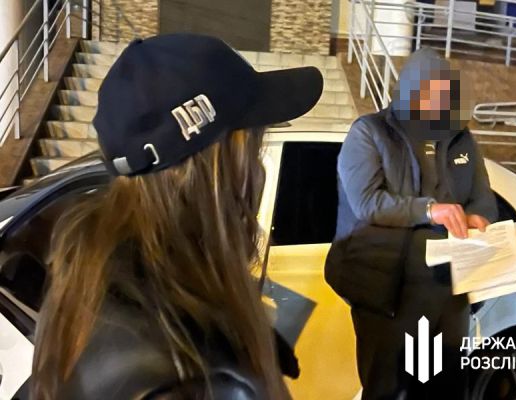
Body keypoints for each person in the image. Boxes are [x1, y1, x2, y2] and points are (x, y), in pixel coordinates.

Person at [31, 34, 323, 399]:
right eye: (253, 150)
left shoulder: (86, 287)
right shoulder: (196, 379)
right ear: (218, 167)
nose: (259, 173)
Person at [325, 48, 498, 399]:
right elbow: (367, 203)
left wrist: (479, 218)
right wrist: (430, 211)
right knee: (390, 390)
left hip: (448, 292)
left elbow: (482, 197)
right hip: (389, 290)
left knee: (442, 389)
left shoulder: (461, 138)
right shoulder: (369, 132)